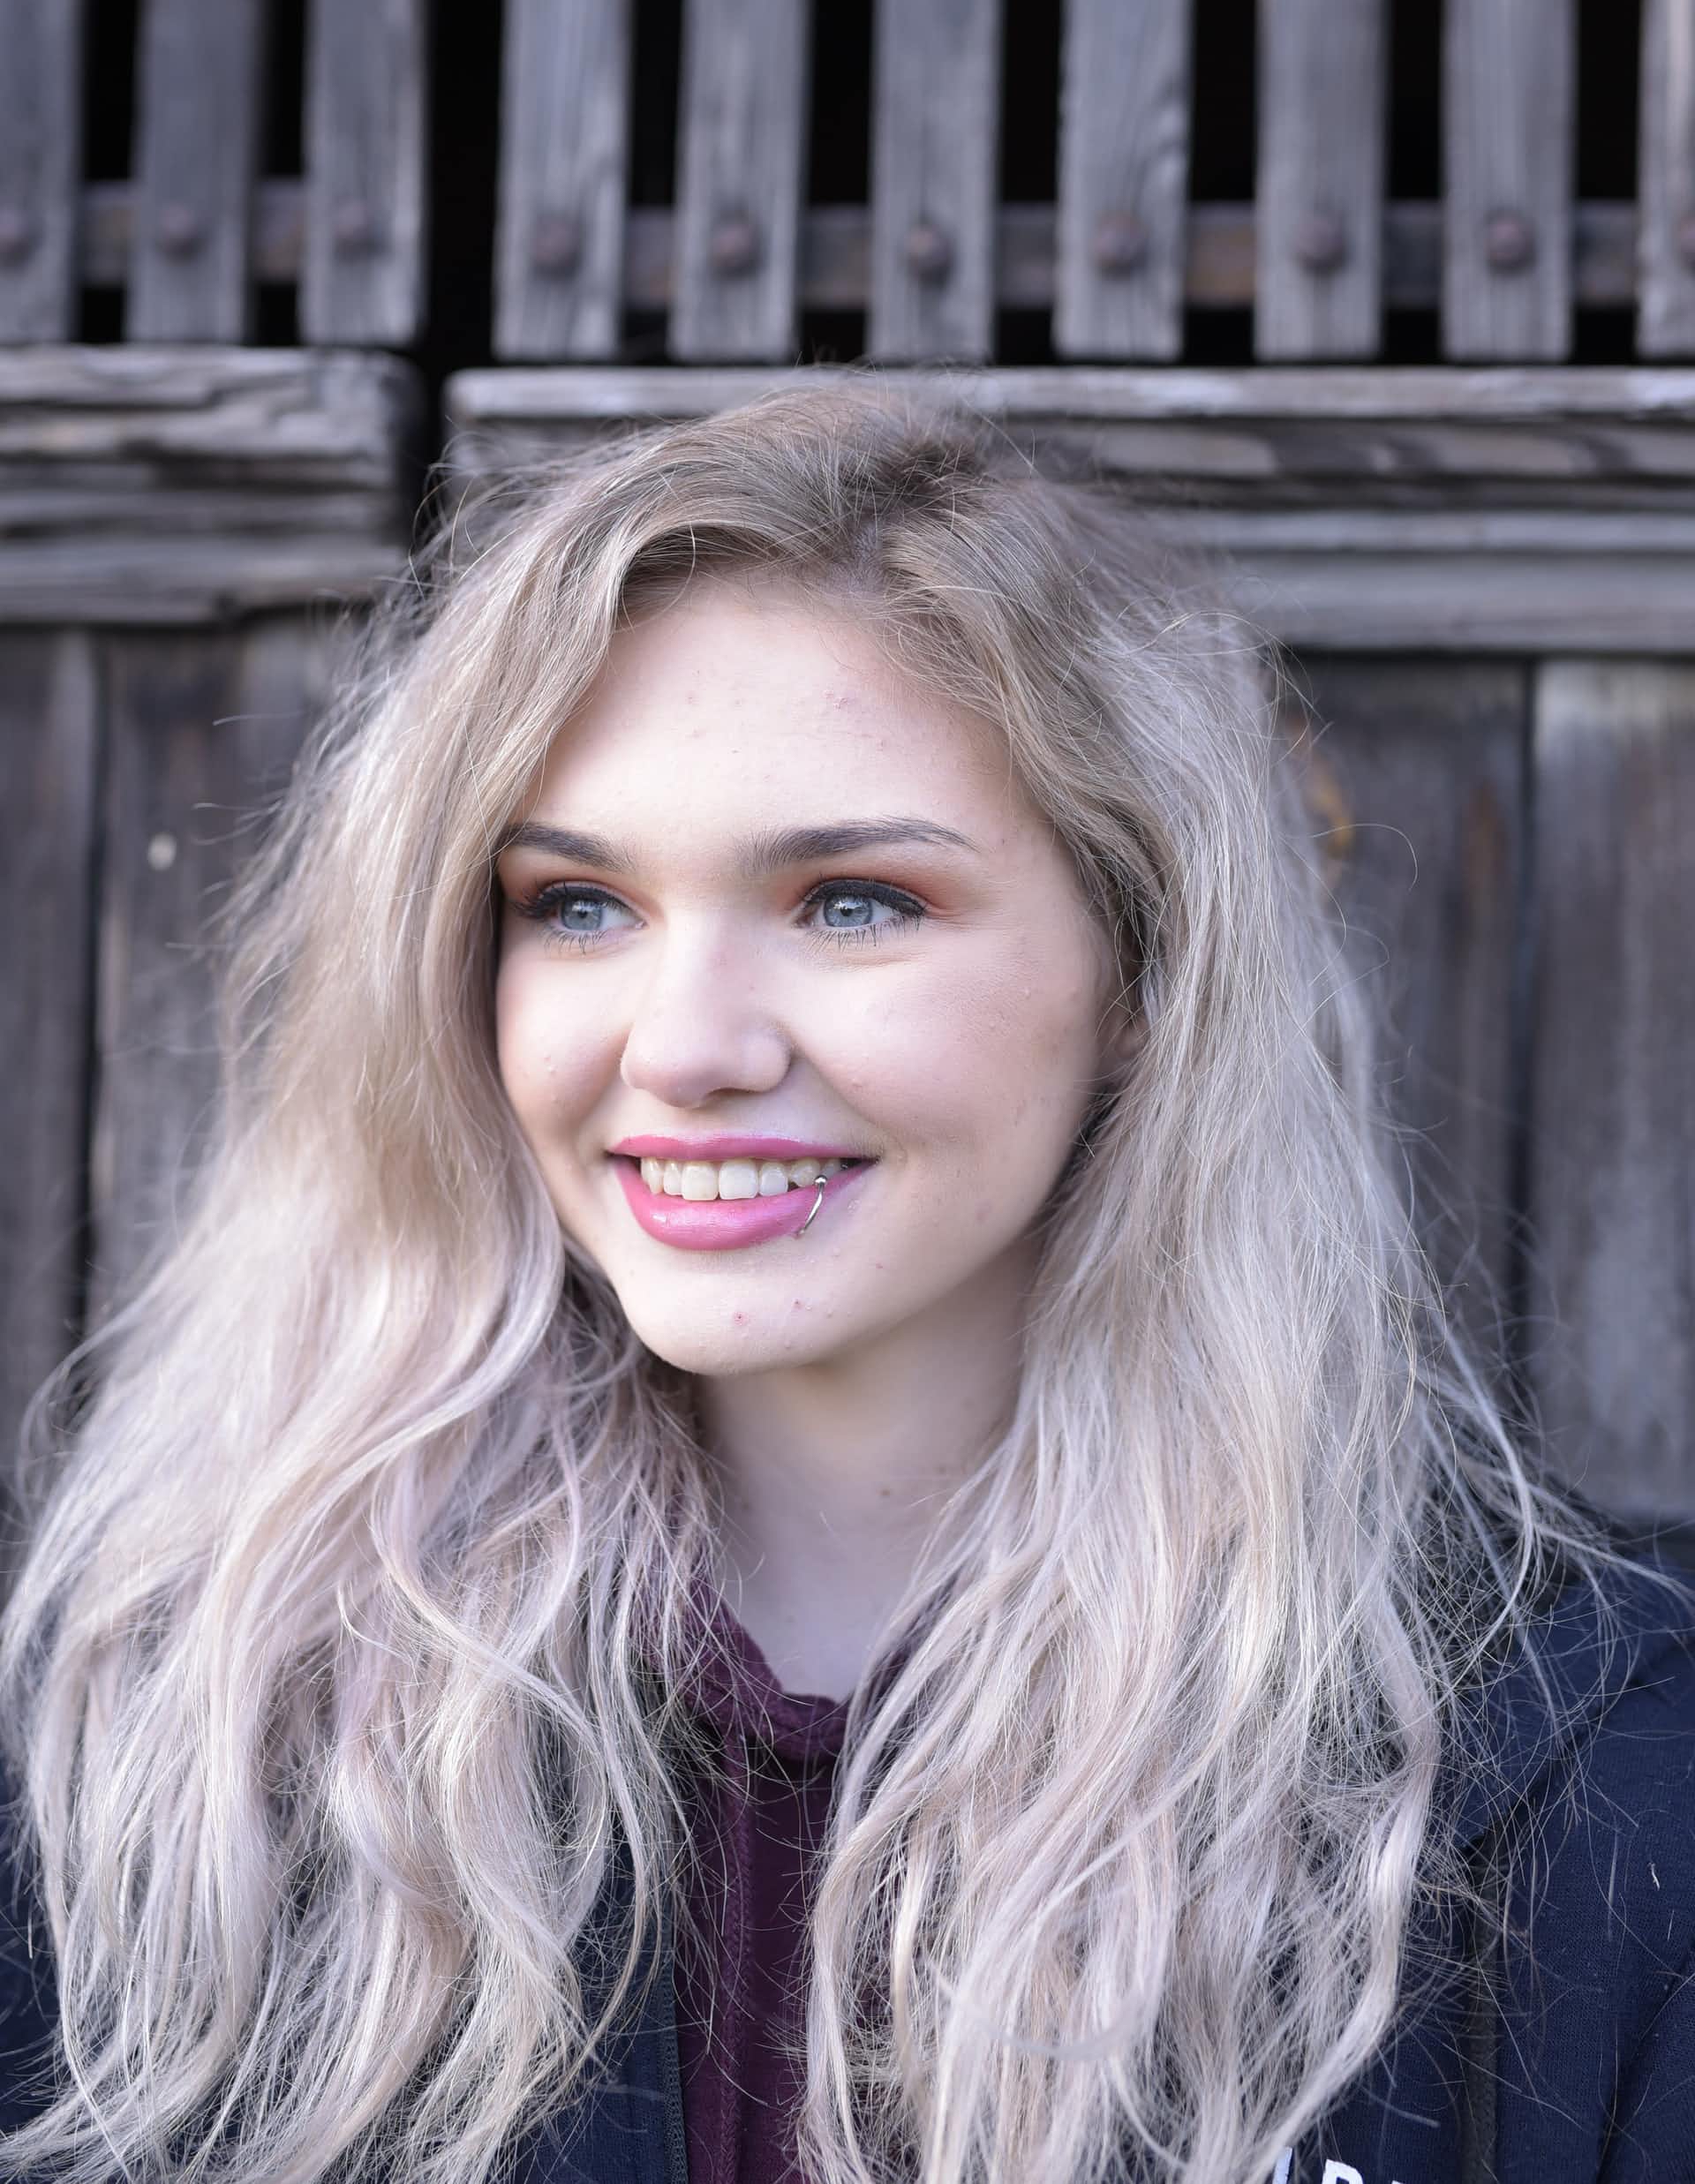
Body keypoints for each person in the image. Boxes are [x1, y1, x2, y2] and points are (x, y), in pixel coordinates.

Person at [0, 384, 1691, 2184]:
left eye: (854, 901)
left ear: (1145, 969)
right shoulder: (162, 1754)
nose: (685, 1046)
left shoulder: (1593, 1772)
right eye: (577, 905)